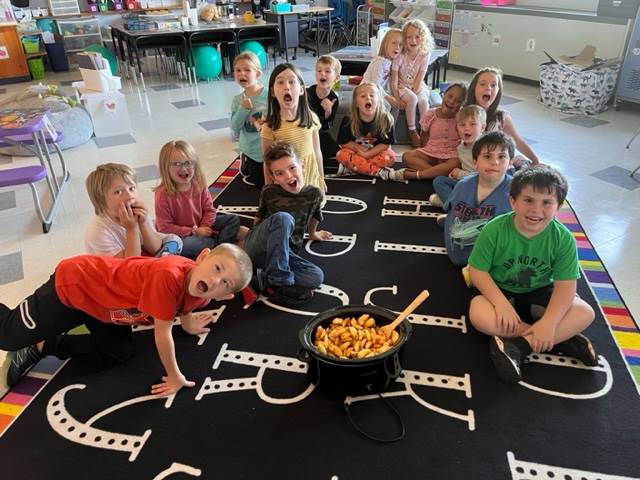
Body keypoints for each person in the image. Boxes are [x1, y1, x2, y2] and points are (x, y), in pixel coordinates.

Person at [0, 244, 253, 397]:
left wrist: (188, 325)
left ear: (226, 296)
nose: (215, 281)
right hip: (74, 287)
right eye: (217, 268)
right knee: (8, 336)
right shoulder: (169, 276)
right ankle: (27, 338)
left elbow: (186, 305)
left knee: (118, 353)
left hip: (105, 310)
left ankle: (43, 345)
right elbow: (162, 335)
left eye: (224, 283)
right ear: (203, 257)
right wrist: (175, 376)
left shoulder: (204, 292)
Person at [468, 165, 596, 383]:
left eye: (546, 202)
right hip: (500, 290)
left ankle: (519, 346)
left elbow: (566, 286)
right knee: (479, 315)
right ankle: (560, 341)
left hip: (540, 291)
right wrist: (500, 304)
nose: (536, 210)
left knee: (585, 312)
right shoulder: (495, 229)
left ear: (559, 206)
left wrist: (550, 322)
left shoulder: (563, 239)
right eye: (528, 200)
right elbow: (477, 271)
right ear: (512, 201)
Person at [244, 141, 332, 307]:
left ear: (302, 165)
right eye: (280, 173)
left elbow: (315, 216)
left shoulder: (314, 194)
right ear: (274, 178)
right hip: (261, 246)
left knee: (316, 277)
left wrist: (313, 234)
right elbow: (259, 217)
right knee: (284, 218)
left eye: (292, 168)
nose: (289, 176)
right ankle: (278, 281)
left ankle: (261, 281)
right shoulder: (269, 191)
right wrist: (249, 240)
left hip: (284, 254)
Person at [154, 140, 248, 259]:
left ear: (195, 164)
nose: (184, 169)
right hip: (183, 235)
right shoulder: (163, 194)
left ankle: (218, 246)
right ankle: (222, 247)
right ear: (165, 167)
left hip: (201, 225)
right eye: (177, 164)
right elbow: (164, 227)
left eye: (188, 163)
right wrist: (195, 231)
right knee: (187, 245)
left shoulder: (199, 184)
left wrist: (204, 226)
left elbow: (209, 210)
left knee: (232, 220)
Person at [442, 131, 514, 266]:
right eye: (487, 156)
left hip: (493, 258)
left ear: (510, 163)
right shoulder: (463, 186)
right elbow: (451, 216)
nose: (495, 162)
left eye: (502, 156)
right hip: (459, 252)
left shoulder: (516, 192)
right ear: (475, 162)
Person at [84, 163, 182, 258]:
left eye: (132, 188)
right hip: (120, 268)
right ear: (101, 200)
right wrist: (132, 229)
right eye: (118, 192)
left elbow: (155, 249)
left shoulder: (138, 211)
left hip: (144, 255)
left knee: (174, 240)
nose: (130, 196)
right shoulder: (98, 231)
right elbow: (128, 267)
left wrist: (143, 224)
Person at [261, 63, 326, 203]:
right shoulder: (270, 126)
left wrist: (321, 177)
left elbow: (317, 150)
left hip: (309, 173)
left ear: (302, 90)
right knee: (291, 210)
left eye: (292, 81)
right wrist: (268, 189)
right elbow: (267, 162)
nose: (286, 86)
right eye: (280, 82)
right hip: (287, 177)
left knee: (313, 208)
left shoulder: (311, 118)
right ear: (272, 92)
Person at [466, 67, 540, 167]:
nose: (488, 88)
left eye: (493, 85)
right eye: (483, 84)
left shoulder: (502, 118)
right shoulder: (462, 113)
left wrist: (535, 161)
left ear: (498, 91)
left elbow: (518, 141)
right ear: (474, 87)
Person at [335, 82, 403, 181]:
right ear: (356, 103)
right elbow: (344, 142)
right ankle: (377, 172)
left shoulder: (386, 119)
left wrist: (368, 154)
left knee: (391, 156)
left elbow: (385, 144)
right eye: (363, 96)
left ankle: (355, 168)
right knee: (341, 154)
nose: (368, 98)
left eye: (372, 95)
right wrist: (359, 149)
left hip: (376, 154)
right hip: (357, 153)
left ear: (379, 101)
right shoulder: (348, 119)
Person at [402, 83, 467, 181]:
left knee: (457, 162)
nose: (452, 101)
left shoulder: (461, 118)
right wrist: (421, 151)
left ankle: (422, 174)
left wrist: (460, 119)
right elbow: (424, 135)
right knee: (406, 156)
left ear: (461, 105)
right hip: (431, 152)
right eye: (450, 96)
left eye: (458, 101)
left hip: (451, 156)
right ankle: (439, 174)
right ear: (443, 94)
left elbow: (465, 137)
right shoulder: (431, 114)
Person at [430, 105, 487, 208]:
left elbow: (484, 176)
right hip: (466, 184)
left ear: (482, 127)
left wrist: (460, 174)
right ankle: (455, 204)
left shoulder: (485, 148)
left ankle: (452, 206)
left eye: (473, 124)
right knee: (439, 181)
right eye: (462, 125)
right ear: (457, 128)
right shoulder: (461, 148)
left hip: (482, 187)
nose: (467, 128)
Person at [390, 19, 434, 147]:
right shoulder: (400, 54)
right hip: (402, 86)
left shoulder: (425, 54)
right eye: (409, 37)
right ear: (404, 38)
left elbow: (420, 77)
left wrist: (415, 91)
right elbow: (394, 80)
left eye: (417, 37)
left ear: (423, 38)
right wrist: (397, 98)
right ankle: (412, 130)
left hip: (418, 85)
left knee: (423, 101)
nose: (413, 40)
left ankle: (425, 131)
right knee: (413, 99)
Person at [230, 51, 269, 189]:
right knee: (260, 184)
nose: (242, 74)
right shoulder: (237, 100)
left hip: (271, 148)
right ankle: (245, 161)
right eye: (238, 70)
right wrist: (243, 109)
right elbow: (235, 126)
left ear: (257, 74)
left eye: (247, 70)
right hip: (252, 151)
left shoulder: (269, 95)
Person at [306, 54, 342, 161]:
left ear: (336, 78)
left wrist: (328, 113)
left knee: (331, 145)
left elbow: (326, 127)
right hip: (304, 131)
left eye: (327, 71)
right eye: (319, 70)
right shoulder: (307, 93)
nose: (322, 73)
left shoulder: (333, 99)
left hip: (318, 133)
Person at [361, 28, 404, 109]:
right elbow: (375, 84)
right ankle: (383, 122)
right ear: (385, 44)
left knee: (396, 105)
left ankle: (391, 122)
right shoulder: (380, 62)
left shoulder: (392, 62)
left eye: (400, 45)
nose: (397, 47)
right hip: (367, 92)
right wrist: (389, 98)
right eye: (394, 43)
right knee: (387, 105)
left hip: (377, 92)